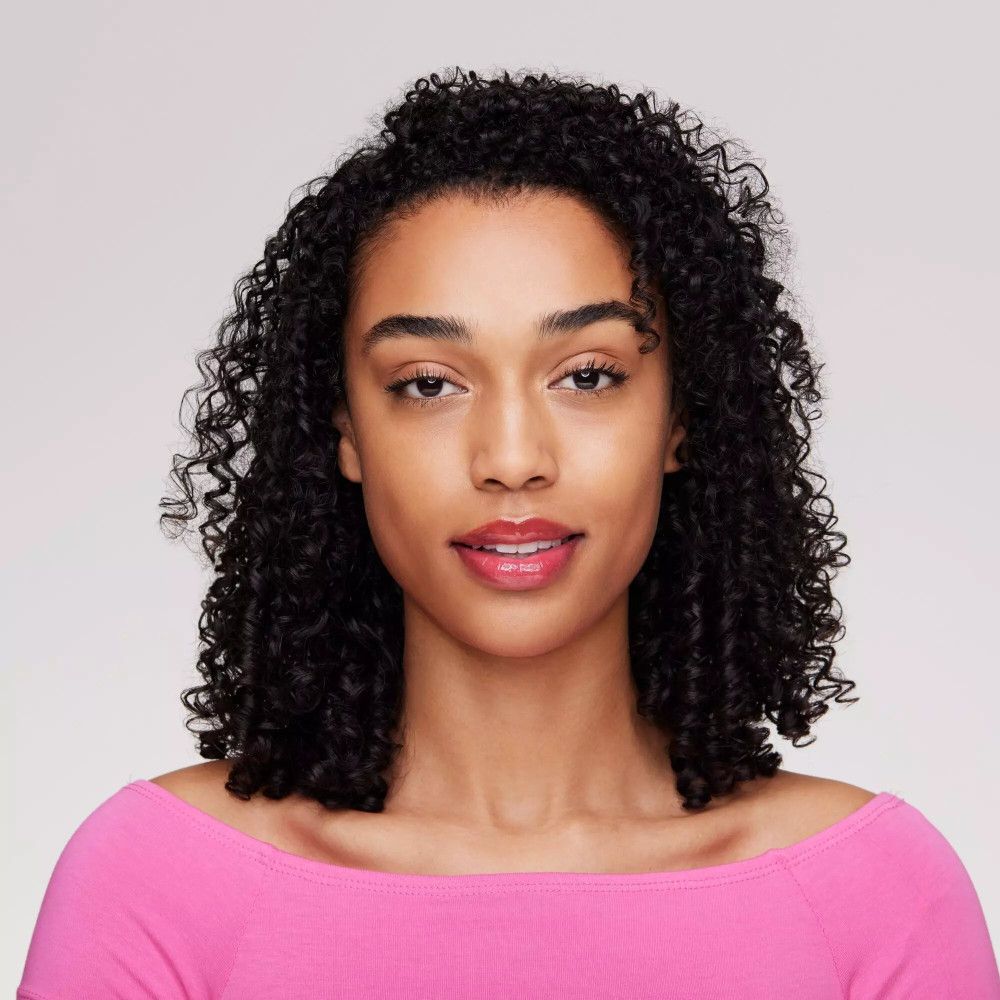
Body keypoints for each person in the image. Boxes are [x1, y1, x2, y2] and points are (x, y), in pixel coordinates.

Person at [18, 66, 1000, 998]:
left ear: (681, 418)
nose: (512, 456)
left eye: (586, 374)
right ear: (345, 432)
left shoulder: (868, 894)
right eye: (428, 384)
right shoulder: (158, 884)